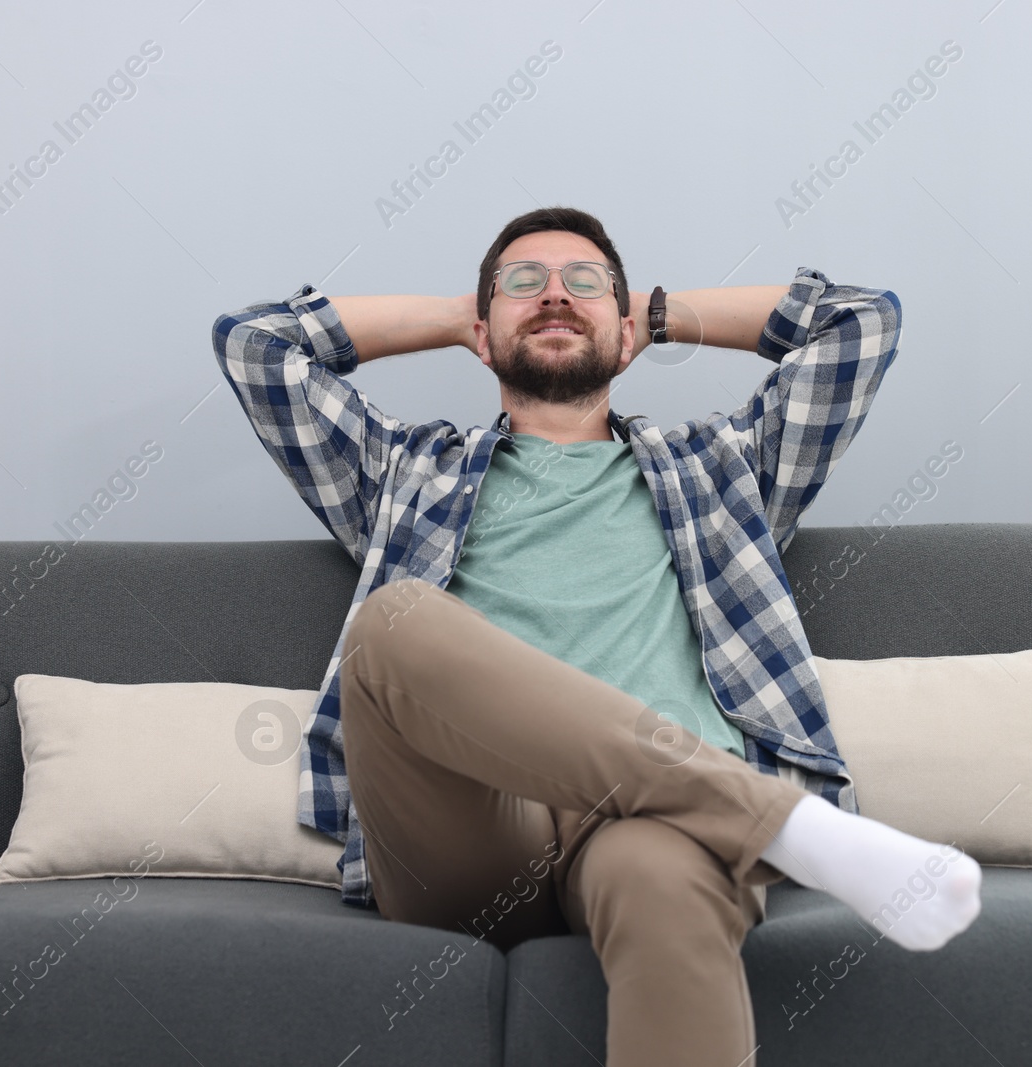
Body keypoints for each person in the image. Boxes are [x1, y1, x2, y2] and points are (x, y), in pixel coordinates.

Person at [212, 206, 982, 1064]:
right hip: (467, 831)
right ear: (484, 323)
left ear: (624, 334)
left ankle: (753, 822)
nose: (553, 296)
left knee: (665, 882)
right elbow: (255, 344)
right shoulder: (403, 472)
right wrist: (452, 318)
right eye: (521, 284)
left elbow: (861, 324)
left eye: (584, 285)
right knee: (392, 620)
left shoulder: (726, 471)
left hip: (651, 827)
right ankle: (781, 824)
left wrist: (656, 313)